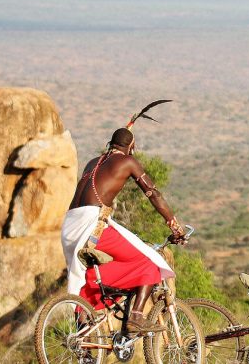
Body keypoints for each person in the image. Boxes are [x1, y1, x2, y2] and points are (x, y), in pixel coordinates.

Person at [61, 108, 185, 334]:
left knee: (82, 280)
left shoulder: (92, 162)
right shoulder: (128, 161)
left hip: (69, 225)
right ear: (131, 147)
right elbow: (153, 194)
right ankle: (136, 317)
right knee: (152, 261)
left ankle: (84, 344)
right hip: (91, 223)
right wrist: (173, 224)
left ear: (110, 144)